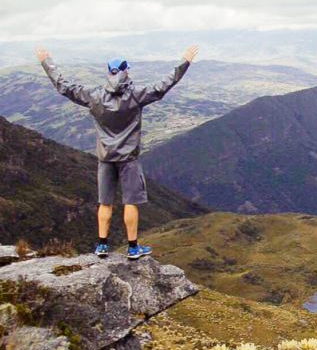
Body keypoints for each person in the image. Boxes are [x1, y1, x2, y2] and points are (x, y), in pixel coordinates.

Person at [34, 44, 199, 259]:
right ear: (126, 71)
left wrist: (47, 63)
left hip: (105, 158)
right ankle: (132, 247)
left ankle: (102, 245)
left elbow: (64, 86)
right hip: (128, 159)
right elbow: (164, 85)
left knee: (105, 202)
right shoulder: (137, 95)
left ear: (108, 72)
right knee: (130, 202)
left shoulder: (94, 96)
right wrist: (184, 62)